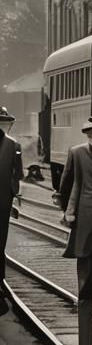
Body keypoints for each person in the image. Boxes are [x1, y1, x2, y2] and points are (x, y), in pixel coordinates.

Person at [60, 120, 92, 312]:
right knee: (86, 259)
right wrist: (68, 211)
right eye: (91, 134)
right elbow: (69, 183)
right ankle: (84, 300)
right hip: (85, 214)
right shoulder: (77, 152)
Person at [0, 106, 24, 317]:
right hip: (3, 201)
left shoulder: (14, 146)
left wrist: (13, 192)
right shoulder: (12, 145)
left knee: (0, 243)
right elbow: (17, 175)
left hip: (3, 203)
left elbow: (18, 174)